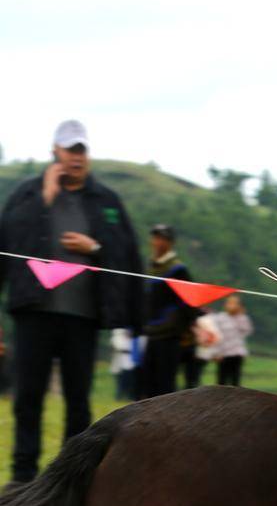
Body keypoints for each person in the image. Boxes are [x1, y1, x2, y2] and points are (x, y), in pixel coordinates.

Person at [0, 120, 141, 484]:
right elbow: (10, 244)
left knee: (78, 400)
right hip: (34, 311)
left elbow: (127, 255)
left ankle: (70, 477)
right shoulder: (29, 195)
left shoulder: (106, 201)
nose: (76, 157)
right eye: (69, 150)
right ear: (55, 153)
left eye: (82, 150)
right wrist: (45, 199)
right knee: (28, 396)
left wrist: (93, 248)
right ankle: (22, 476)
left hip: (84, 316)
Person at [137, 224, 197, 399]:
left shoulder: (178, 270)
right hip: (151, 333)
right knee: (148, 383)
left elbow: (189, 302)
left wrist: (179, 327)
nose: (157, 242)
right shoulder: (151, 267)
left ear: (170, 243)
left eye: (162, 238)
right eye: (155, 237)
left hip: (169, 335)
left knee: (165, 386)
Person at [211, 294, 254, 386]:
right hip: (223, 353)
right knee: (221, 381)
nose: (232, 306)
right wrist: (215, 352)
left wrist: (239, 316)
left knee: (235, 380)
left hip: (236, 352)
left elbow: (247, 331)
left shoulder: (242, 318)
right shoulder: (220, 317)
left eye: (235, 303)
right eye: (230, 303)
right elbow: (215, 335)